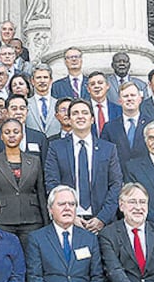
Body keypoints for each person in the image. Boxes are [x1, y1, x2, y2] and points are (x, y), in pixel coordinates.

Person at [44, 99, 123, 231]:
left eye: (85, 113)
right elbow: (52, 183)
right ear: (69, 120)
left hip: (102, 222)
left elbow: (116, 185)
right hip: (68, 221)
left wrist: (102, 218)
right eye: (75, 113)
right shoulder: (56, 148)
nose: (80, 116)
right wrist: (71, 217)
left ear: (92, 119)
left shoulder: (108, 149)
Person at [0, 119, 47, 248]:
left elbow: (41, 192)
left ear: (22, 135)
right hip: (3, 220)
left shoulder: (34, 161)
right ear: (1, 136)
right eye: (7, 132)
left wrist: (46, 220)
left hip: (31, 219)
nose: (11, 135)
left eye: (16, 132)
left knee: (31, 256)